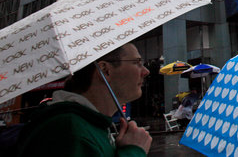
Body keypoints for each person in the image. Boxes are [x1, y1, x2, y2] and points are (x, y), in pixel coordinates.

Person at [16, 43, 152, 156]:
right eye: (137, 63)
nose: (146, 71)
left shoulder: (90, 126)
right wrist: (134, 152)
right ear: (105, 70)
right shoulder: (69, 131)